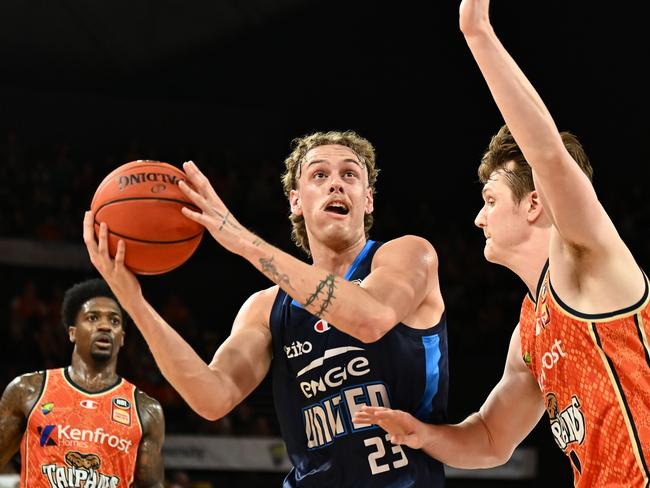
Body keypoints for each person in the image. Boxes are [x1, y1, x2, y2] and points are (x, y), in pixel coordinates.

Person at [352, 0, 650, 486]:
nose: (477, 217)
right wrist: (423, 435)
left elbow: (548, 155)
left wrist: (477, 32)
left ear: (534, 203)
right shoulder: (529, 331)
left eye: (490, 200)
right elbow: (491, 438)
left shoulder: (586, 262)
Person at [83, 130, 449, 486]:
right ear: (295, 201)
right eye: (319, 174)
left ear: (367, 199)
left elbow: (371, 319)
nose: (336, 184)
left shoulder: (408, 255)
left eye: (350, 174)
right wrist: (134, 302)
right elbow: (212, 397)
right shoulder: (267, 307)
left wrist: (240, 239)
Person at [0, 278, 165, 487]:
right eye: (93, 318)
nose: (105, 326)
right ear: (72, 332)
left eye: (114, 321)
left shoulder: (145, 409)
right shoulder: (29, 390)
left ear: (122, 337)